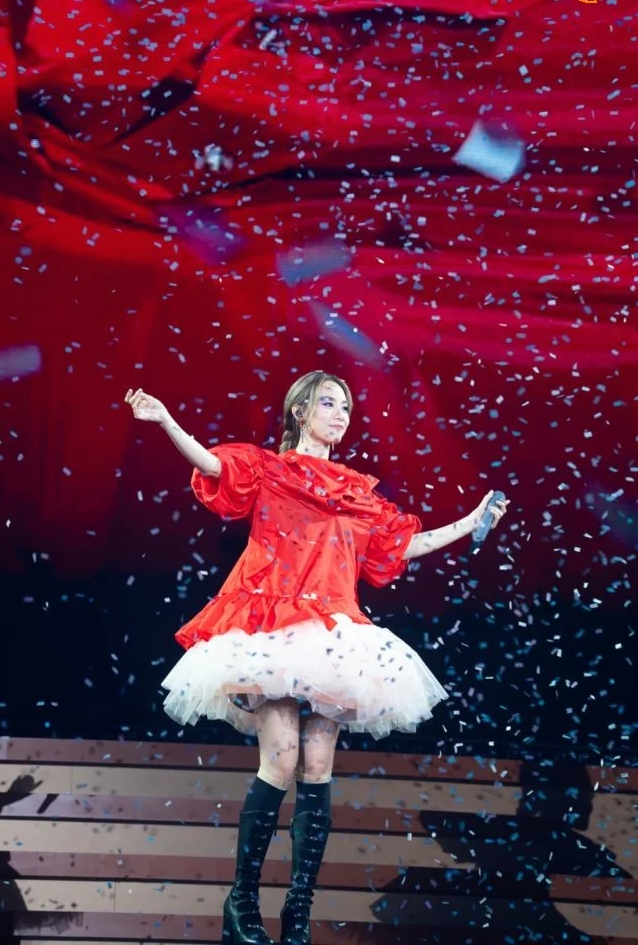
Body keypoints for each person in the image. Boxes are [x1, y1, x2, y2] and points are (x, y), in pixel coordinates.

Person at [124, 371, 510, 945]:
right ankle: (242, 902)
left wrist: (471, 523)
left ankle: (298, 912)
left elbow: (402, 544)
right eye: (328, 403)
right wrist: (167, 422)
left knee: (319, 765)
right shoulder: (270, 469)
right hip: (275, 626)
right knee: (280, 760)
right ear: (300, 412)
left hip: (332, 635)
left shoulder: (358, 493)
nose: (340, 414)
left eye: (346, 407)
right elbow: (214, 466)